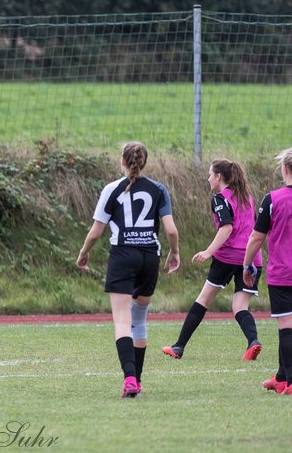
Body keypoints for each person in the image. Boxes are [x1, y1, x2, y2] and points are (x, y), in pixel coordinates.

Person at [76, 141, 181, 398]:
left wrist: (83, 253)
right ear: (143, 162)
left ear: (122, 161)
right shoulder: (158, 189)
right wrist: (175, 252)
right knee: (139, 319)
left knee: (122, 320)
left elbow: (96, 231)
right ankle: (139, 380)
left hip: (123, 255)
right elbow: (170, 230)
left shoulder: (112, 189)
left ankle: (130, 379)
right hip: (149, 257)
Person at [162, 159, 263, 361]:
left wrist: (209, 251)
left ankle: (179, 347)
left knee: (203, 300)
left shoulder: (219, 198)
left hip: (228, 256)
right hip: (252, 257)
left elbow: (227, 228)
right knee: (240, 307)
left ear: (218, 177)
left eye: (210, 174)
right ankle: (254, 342)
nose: (208, 178)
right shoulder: (247, 197)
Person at [243, 148, 292, 394]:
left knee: (286, 325)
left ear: (284, 169)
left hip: (282, 273)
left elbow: (256, 238)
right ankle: (281, 377)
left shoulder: (272, 199)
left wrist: (246, 264)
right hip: (283, 274)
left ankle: (290, 382)